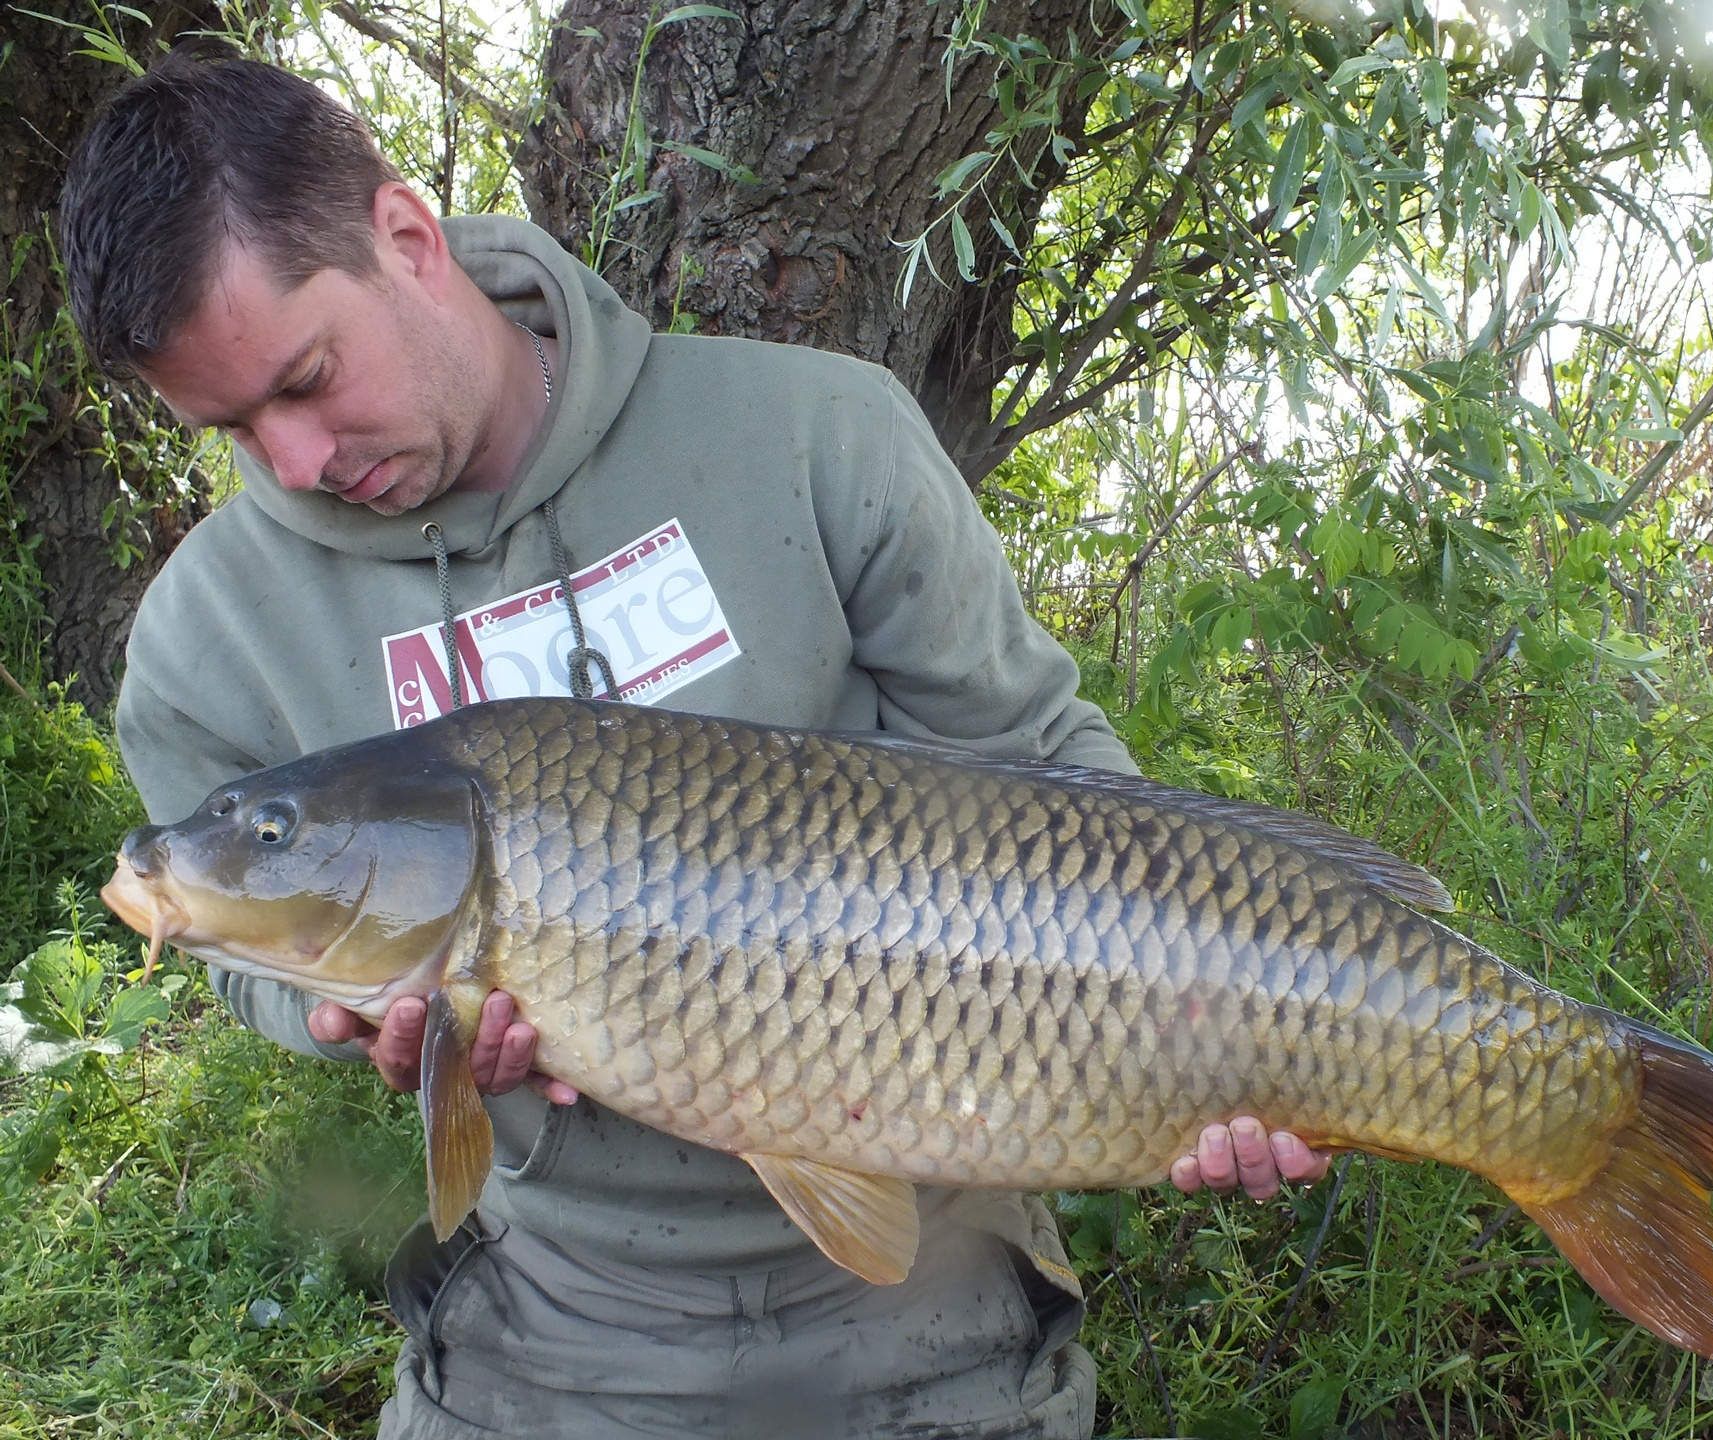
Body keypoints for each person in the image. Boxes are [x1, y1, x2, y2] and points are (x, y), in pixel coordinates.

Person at [60, 52, 1331, 1440]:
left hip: (934, 1286)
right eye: (233, 427)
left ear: (408, 240)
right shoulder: (205, 639)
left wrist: (1226, 1027)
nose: (296, 459)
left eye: (305, 379)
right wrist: (336, 1010)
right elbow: (237, 939)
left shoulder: (814, 433)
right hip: (557, 1312)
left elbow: (1050, 774)